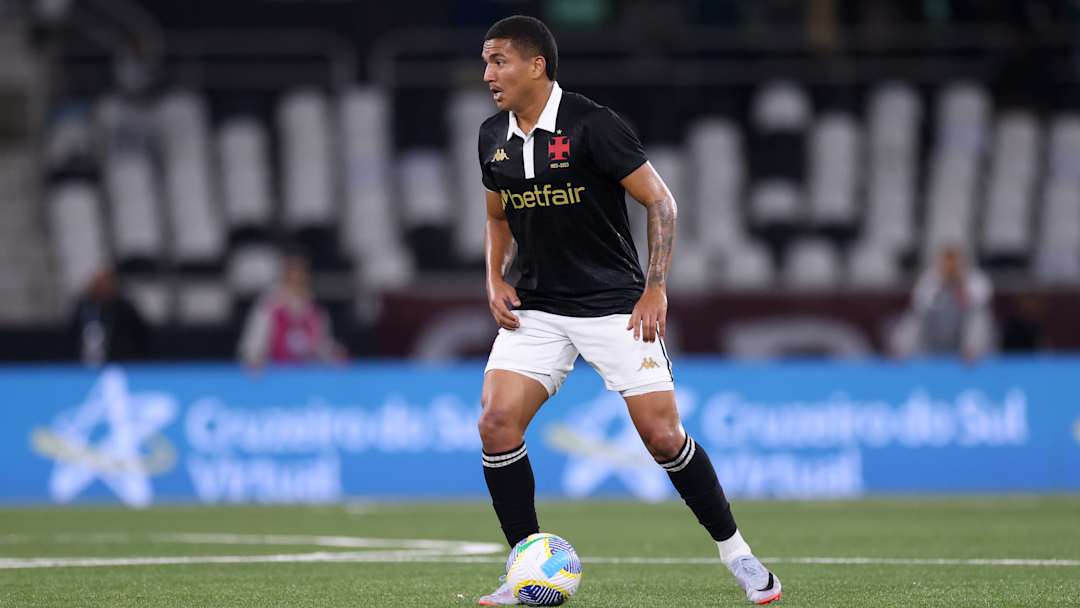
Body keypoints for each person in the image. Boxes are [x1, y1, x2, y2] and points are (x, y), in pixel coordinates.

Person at [475, 16, 781, 605]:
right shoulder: (492, 135)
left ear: (536, 65)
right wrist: (492, 276)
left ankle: (739, 555)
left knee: (664, 437)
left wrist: (655, 286)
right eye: (486, 62)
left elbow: (660, 201)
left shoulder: (594, 125)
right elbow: (496, 214)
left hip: (615, 306)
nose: (488, 75)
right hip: (537, 307)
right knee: (495, 423)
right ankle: (526, 570)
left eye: (499, 61)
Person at [238, 251, 346, 368]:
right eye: (292, 274)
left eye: (300, 274)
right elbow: (253, 343)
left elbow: (323, 345)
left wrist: (334, 353)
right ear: (284, 276)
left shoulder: (315, 310)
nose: (297, 278)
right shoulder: (269, 306)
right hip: (275, 373)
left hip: (306, 374)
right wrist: (254, 358)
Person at [908, 245, 995, 360]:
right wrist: (942, 284)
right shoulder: (929, 277)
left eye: (954, 261)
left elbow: (978, 304)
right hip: (937, 330)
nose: (951, 265)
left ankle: (971, 354)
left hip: (964, 331)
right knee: (914, 317)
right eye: (947, 261)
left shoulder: (976, 278)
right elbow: (921, 304)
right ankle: (909, 357)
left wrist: (960, 284)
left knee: (979, 318)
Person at [70, 267, 149, 365]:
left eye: (106, 284)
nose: (102, 288)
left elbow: (139, 336)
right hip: (84, 361)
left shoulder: (124, 309)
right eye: (99, 284)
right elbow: (72, 334)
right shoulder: (84, 307)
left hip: (119, 361)